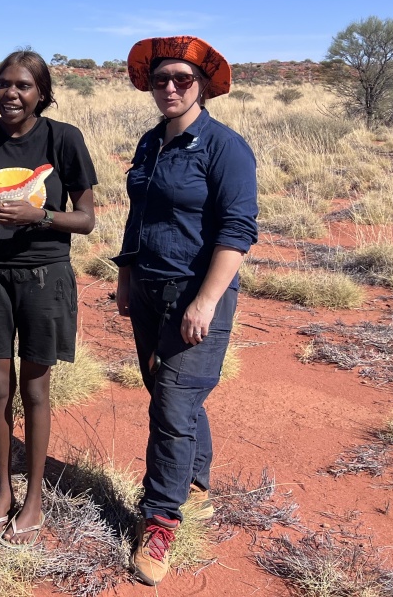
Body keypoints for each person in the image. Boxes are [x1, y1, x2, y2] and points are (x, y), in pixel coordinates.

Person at [0, 49, 97, 548]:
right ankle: (4, 490)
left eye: (24, 86)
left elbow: (87, 218)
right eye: (4, 84)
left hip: (45, 277)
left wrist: (38, 216)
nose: (12, 93)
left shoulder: (63, 139)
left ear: (41, 94)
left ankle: (35, 500)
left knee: (36, 389)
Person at [115, 37, 257, 587]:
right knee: (170, 392)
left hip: (197, 295)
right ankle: (195, 480)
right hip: (149, 291)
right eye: (159, 80)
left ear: (203, 84)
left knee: (172, 407)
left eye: (182, 79)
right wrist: (126, 275)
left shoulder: (225, 147)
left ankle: (161, 520)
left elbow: (237, 231)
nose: (169, 88)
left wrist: (205, 300)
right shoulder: (151, 144)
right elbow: (138, 216)